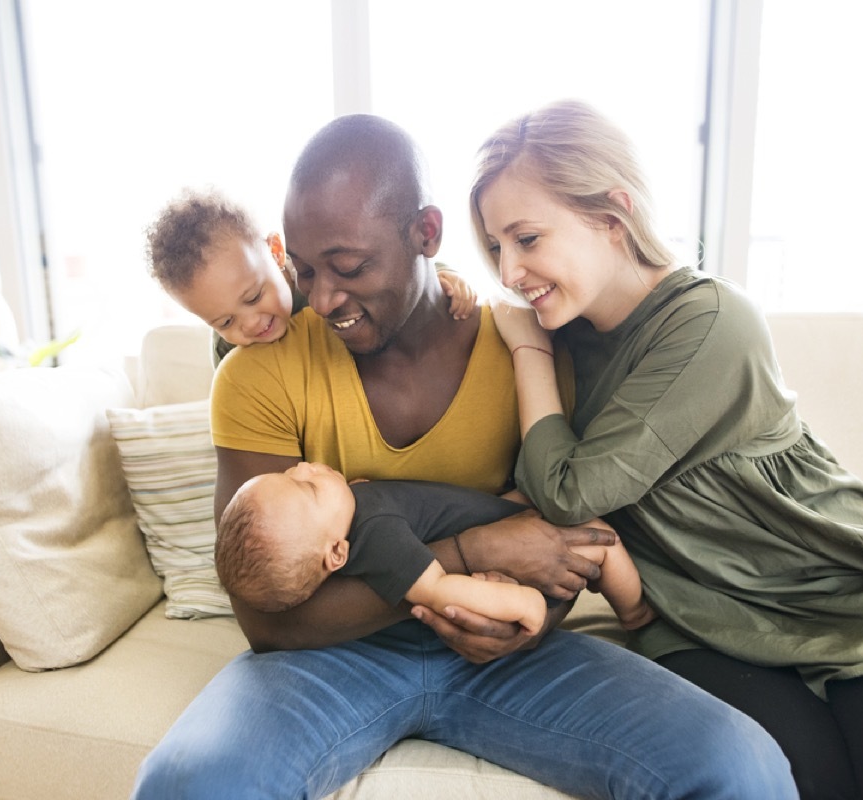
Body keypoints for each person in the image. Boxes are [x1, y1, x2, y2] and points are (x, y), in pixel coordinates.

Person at [131, 113, 796, 800]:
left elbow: (551, 543)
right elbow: (267, 615)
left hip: (511, 655)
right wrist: (470, 553)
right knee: (187, 784)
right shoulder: (257, 373)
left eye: (349, 267)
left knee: (739, 766)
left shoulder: (530, 352)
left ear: (427, 234)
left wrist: (523, 616)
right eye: (303, 270)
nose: (322, 298)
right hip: (329, 657)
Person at [473, 98, 863, 800]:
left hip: (851, 600)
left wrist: (529, 355)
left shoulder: (711, 322)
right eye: (494, 248)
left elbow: (572, 492)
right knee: (795, 782)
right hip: (706, 627)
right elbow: (541, 500)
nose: (508, 271)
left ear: (613, 215)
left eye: (527, 238)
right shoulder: (569, 340)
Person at [213, 462, 656, 634]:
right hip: (522, 556)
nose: (303, 467)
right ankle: (635, 613)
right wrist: (526, 606)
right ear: (336, 555)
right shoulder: (378, 538)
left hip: (493, 513)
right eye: (306, 487)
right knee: (599, 537)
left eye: (290, 473)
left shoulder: (353, 518)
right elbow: (440, 589)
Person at [145, 186, 478, 366]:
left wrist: (444, 277)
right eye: (224, 322)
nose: (248, 324)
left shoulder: (319, 284)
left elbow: (399, 271)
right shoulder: (227, 354)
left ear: (276, 252)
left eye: (253, 298)